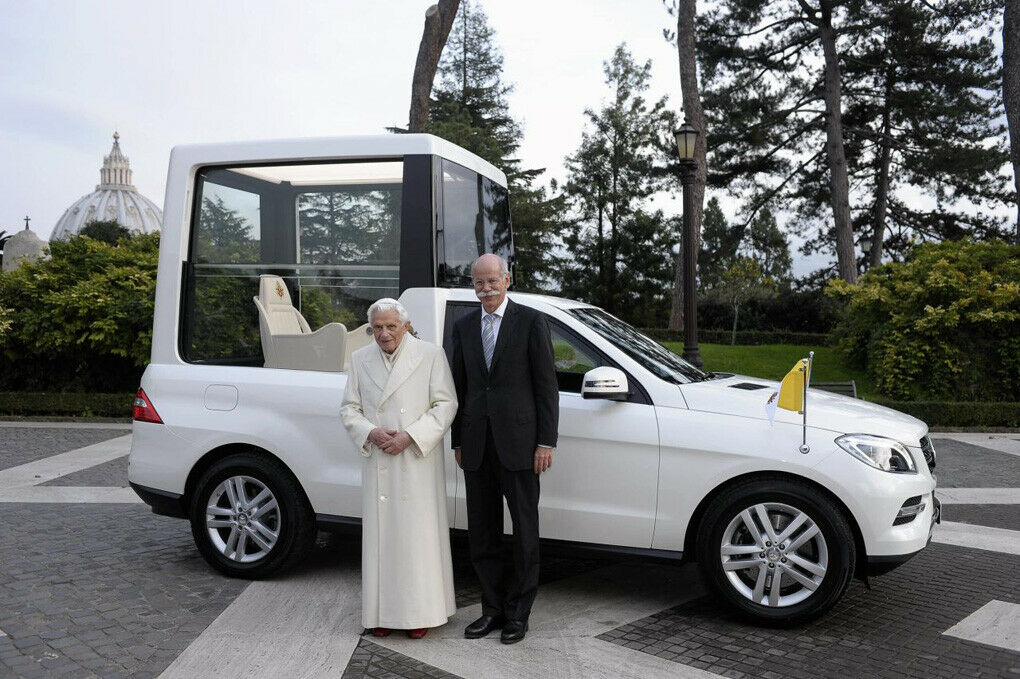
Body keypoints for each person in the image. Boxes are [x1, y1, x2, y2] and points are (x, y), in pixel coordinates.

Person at [450, 253, 559, 644]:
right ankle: (492, 610)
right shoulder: (462, 326)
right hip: (477, 446)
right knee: (482, 534)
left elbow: (547, 387)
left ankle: (518, 613)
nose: (486, 289)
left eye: (493, 281)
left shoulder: (530, 321)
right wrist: (458, 440)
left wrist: (546, 441)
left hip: (522, 446)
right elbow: (458, 390)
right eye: (479, 282)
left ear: (507, 280)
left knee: (525, 532)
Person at [340, 298, 458, 639]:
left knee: (416, 541)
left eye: (391, 326)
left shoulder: (431, 354)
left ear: (405, 325)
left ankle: (420, 613)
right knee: (382, 541)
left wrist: (411, 435)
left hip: (415, 459)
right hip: (379, 457)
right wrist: (370, 432)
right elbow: (349, 408)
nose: (384, 333)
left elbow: (446, 403)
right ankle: (380, 613)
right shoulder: (360, 359)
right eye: (377, 327)